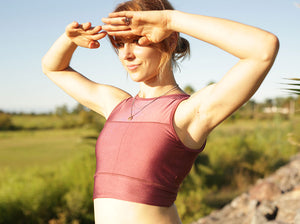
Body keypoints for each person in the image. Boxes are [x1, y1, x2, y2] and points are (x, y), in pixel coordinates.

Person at [41, 0, 279, 223]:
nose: (126, 54)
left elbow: (263, 48)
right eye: (120, 44)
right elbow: (53, 68)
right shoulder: (116, 105)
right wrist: (68, 39)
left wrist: (169, 20)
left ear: (170, 41)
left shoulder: (188, 113)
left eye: (137, 40)